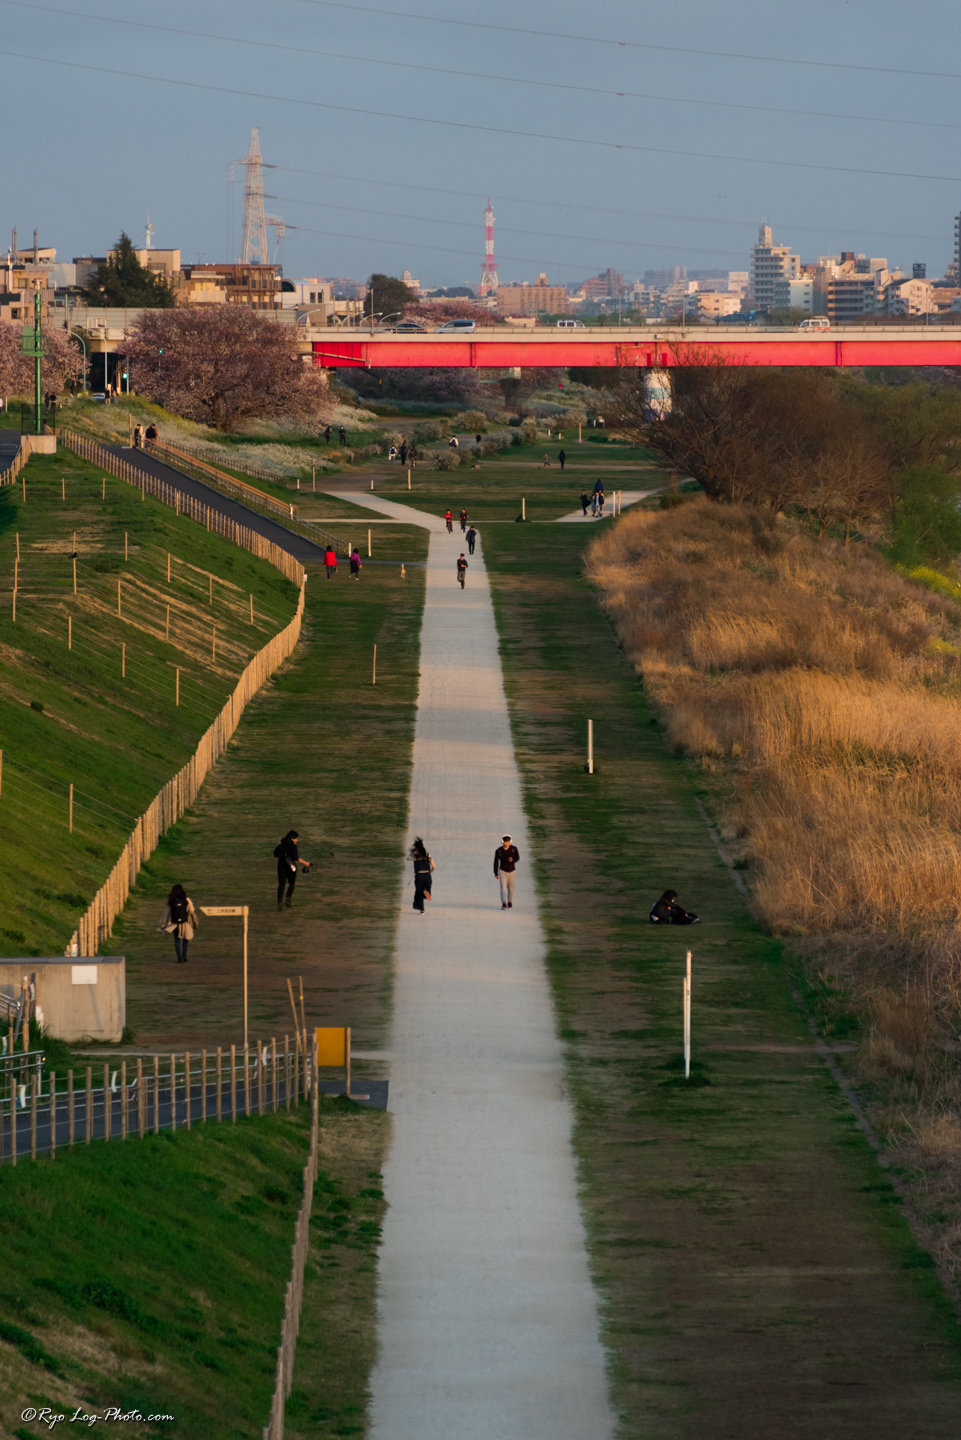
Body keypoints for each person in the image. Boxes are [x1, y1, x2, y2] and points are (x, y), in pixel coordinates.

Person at [157, 883, 199, 963]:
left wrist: (163, 924)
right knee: (186, 939)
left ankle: (179, 958)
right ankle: (184, 955)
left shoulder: (171, 901)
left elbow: (166, 913)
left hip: (174, 923)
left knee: (177, 940)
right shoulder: (187, 900)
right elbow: (191, 911)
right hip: (185, 923)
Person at [274, 829, 311, 910]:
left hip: (281, 868)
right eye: (296, 839)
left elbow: (275, 853)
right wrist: (305, 863)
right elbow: (295, 857)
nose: (297, 840)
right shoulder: (293, 847)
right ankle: (288, 899)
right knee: (292, 883)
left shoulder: (280, 846)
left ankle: (279, 903)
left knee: (281, 885)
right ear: (292, 839)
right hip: (291, 868)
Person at [409, 836, 435, 914]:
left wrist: (413, 852)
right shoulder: (428, 855)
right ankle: (426, 893)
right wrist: (430, 872)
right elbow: (434, 867)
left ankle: (422, 910)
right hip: (427, 875)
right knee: (427, 889)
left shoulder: (415, 856)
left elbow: (408, 858)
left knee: (419, 892)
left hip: (419, 875)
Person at [493, 834, 520, 909]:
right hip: (502, 872)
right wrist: (495, 873)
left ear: (510, 842)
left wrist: (512, 860)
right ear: (502, 842)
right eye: (505, 842)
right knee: (503, 889)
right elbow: (496, 862)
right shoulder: (498, 851)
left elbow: (518, 857)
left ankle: (510, 902)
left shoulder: (514, 849)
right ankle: (504, 903)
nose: (507, 843)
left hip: (512, 871)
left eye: (508, 842)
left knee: (511, 889)